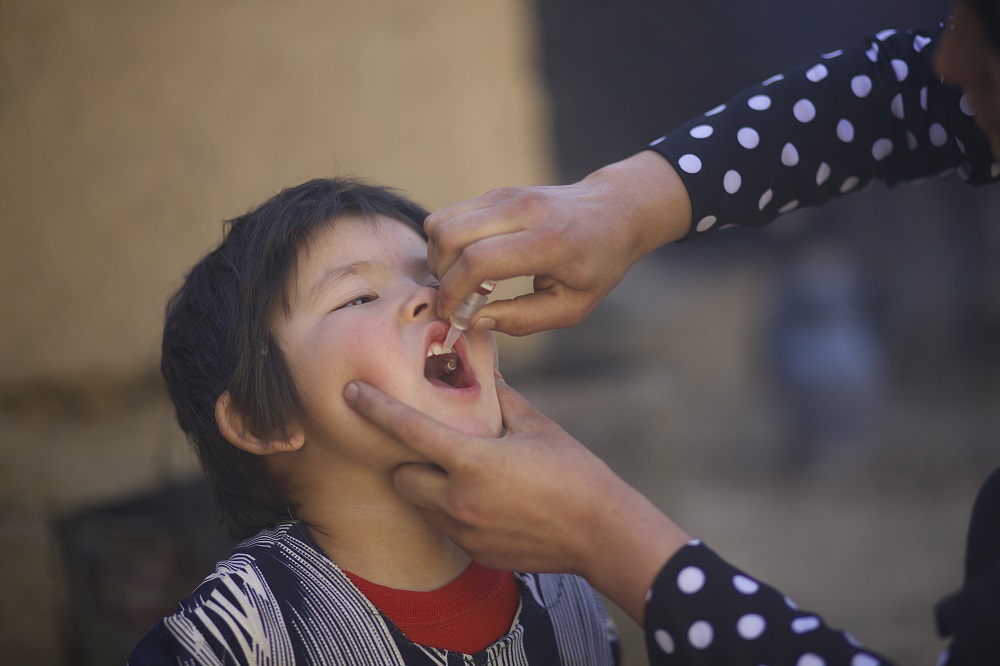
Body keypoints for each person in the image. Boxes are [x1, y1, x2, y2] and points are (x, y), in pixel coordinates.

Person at [345, 1, 1000, 664]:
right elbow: (907, 97)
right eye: (359, 294)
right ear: (259, 422)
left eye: (989, 37)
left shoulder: (563, 600)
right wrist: (631, 202)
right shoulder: (249, 614)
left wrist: (609, 539)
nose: (950, 59)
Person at [129, 179, 621, 665]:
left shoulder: (567, 583)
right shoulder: (231, 638)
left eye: (436, 278)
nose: (435, 298)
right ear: (263, 419)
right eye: (359, 297)